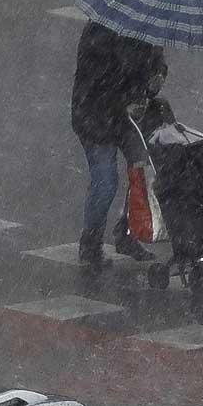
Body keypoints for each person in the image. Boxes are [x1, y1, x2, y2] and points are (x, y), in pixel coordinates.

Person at [70, 20, 168, 267]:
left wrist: (156, 78)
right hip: (96, 117)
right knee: (105, 182)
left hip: (127, 118)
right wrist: (124, 102)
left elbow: (154, 65)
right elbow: (96, 83)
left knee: (141, 170)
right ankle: (90, 245)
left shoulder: (148, 28)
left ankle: (127, 232)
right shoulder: (99, 32)